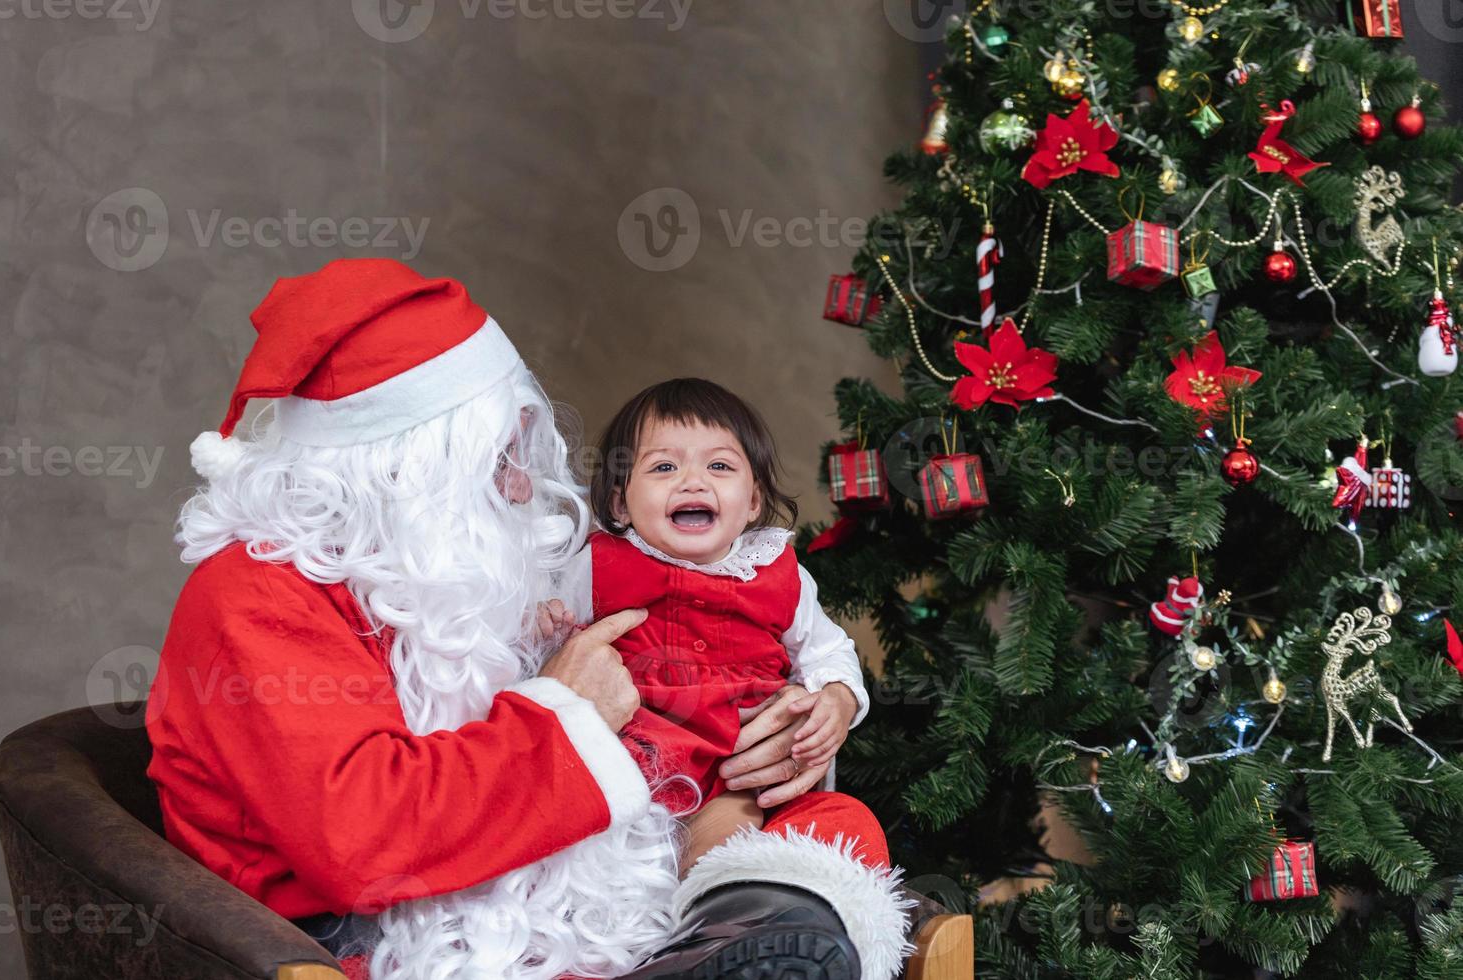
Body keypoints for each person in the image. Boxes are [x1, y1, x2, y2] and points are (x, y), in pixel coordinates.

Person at [145, 258, 912, 980]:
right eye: (498, 460)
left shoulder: (427, 573)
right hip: (381, 939)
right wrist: (569, 710)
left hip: (542, 894)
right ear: (404, 468)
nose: (521, 491)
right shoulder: (255, 595)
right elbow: (366, 843)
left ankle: (733, 939)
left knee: (831, 835)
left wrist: (788, 731)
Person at [538, 378, 869, 876]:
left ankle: (707, 924)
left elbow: (828, 650)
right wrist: (544, 621)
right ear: (622, 502)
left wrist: (838, 696)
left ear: (754, 501)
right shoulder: (599, 565)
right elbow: (536, 636)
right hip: (623, 763)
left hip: (728, 772)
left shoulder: (779, 572)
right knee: (590, 862)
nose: (693, 482)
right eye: (664, 467)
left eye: (719, 466)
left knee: (720, 856)